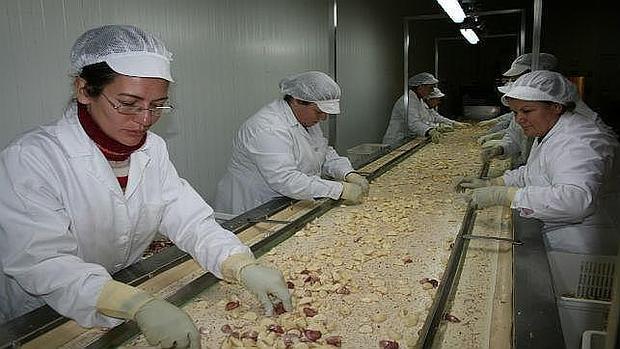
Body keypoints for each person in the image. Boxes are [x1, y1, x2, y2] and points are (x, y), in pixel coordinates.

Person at [0, 25, 292, 349]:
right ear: (84, 90)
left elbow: (187, 219)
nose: (144, 119)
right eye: (128, 104)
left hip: (118, 294)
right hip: (43, 317)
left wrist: (239, 263)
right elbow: (43, 263)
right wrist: (135, 305)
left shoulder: (151, 148)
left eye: (158, 106)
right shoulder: (32, 158)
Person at [458, 71, 620, 256]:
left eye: (526, 111)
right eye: (515, 112)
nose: (519, 119)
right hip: (561, 231)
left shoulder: (577, 141)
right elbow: (535, 171)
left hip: (580, 244)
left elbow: (575, 201)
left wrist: (508, 196)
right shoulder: (550, 129)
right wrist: (495, 183)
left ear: (557, 107)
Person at [214, 71, 368, 215]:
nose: (324, 118)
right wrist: (339, 190)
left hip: (287, 201)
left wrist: (347, 173)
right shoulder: (268, 128)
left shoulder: (306, 120)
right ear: (297, 101)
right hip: (255, 206)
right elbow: (285, 179)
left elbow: (321, 151)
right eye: (319, 112)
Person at [480, 53, 558, 165]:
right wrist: (501, 149)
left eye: (519, 77)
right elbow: (515, 136)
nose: (513, 81)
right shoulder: (524, 112)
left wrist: (506, 180)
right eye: (515, 112)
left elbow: (547, 175)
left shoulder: (569, 137)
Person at [382, 72, 443, 147]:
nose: (432, 91)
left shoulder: (419, 100)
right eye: (430, 87)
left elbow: (423, 120)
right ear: (420, 87)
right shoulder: (407, 101)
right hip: (396, 141)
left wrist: (435, 127)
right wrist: (429, 130)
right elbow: (413, 123)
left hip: (407, 140)